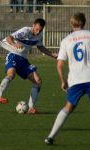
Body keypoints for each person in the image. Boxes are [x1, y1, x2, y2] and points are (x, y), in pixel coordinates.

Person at [0, 18, 57, 114]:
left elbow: (40, 47)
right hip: (13, 55)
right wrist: (15, 44)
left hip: (23, 60)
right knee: (11, 74)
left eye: (40, 30)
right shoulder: (25, 31)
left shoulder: (39, 36)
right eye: (36, 29)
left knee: (38, 81)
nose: (38, 32)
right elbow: (9, 38)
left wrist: (51, 54)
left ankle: (31, 108)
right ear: (33, 25)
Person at [45, 12, 90, 144]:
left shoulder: (66, 40)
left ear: (71, 24)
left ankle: (51, 136)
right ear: (84, 22)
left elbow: (59, 64)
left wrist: (63, 81)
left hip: (75, 80)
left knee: (68, 107)